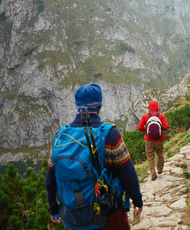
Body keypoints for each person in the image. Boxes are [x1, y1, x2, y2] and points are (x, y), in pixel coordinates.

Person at [45, 83, 143, 229]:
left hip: (73, 214)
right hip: (108, 212)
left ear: (77, 106)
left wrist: (53, 209)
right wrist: (137, 200)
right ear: (100, 105)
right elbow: (127, 173)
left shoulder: (60, 137)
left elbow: (51, 178)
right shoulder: (110, 134)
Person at [137, 100, 169, 181]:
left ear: (149, 107)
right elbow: (166, 127)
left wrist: (147, 131)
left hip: (148, 140)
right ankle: (160, 170)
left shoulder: (145, 116)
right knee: (160, 154)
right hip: (159, 139)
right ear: (157, 107)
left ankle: (153, 174)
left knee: (150, 157)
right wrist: (159, 130)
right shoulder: (161, 116)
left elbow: (139, 127)